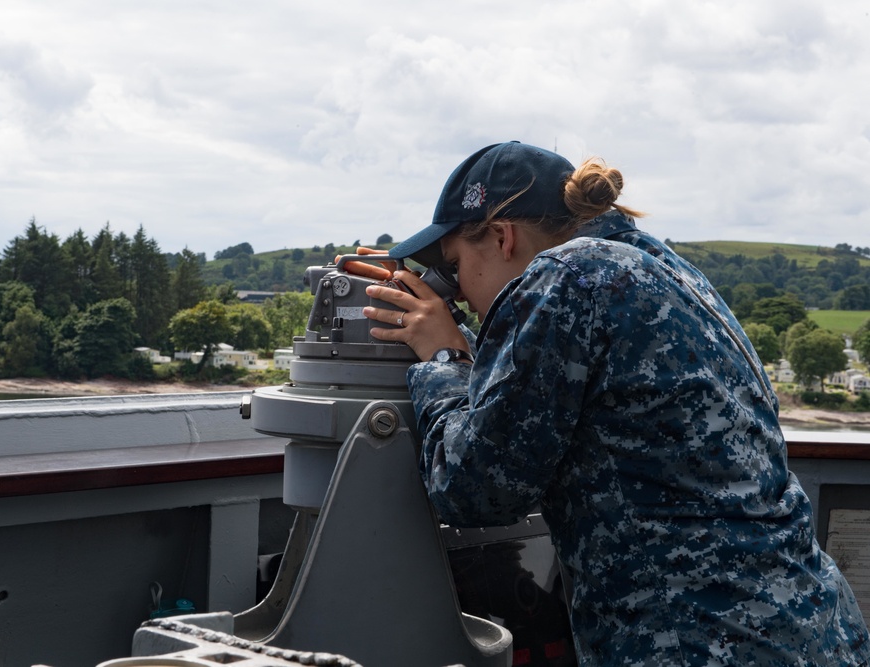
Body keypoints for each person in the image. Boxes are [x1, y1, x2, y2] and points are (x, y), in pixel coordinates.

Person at [361, 141, 870, 666]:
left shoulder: (565, 277)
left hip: (697, 644)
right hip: (808, 629)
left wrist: (444, 356)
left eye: (455, 266)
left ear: (501, 235)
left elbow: (473, 488)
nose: (459, 293)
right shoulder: (662, 268)